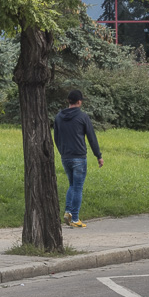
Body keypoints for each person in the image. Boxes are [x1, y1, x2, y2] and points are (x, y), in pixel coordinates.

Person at [53, 89, 103, 228]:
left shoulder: (58, 117)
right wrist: (98, 155)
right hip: (79, 157)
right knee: (78, 187)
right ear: (79, 102)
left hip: (65, 157)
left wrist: (62, 151)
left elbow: (56, 137)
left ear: (68, 101)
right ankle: (75, 218)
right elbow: (91, 138)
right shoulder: (83, 117)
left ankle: (68, 212)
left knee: (72, 185)